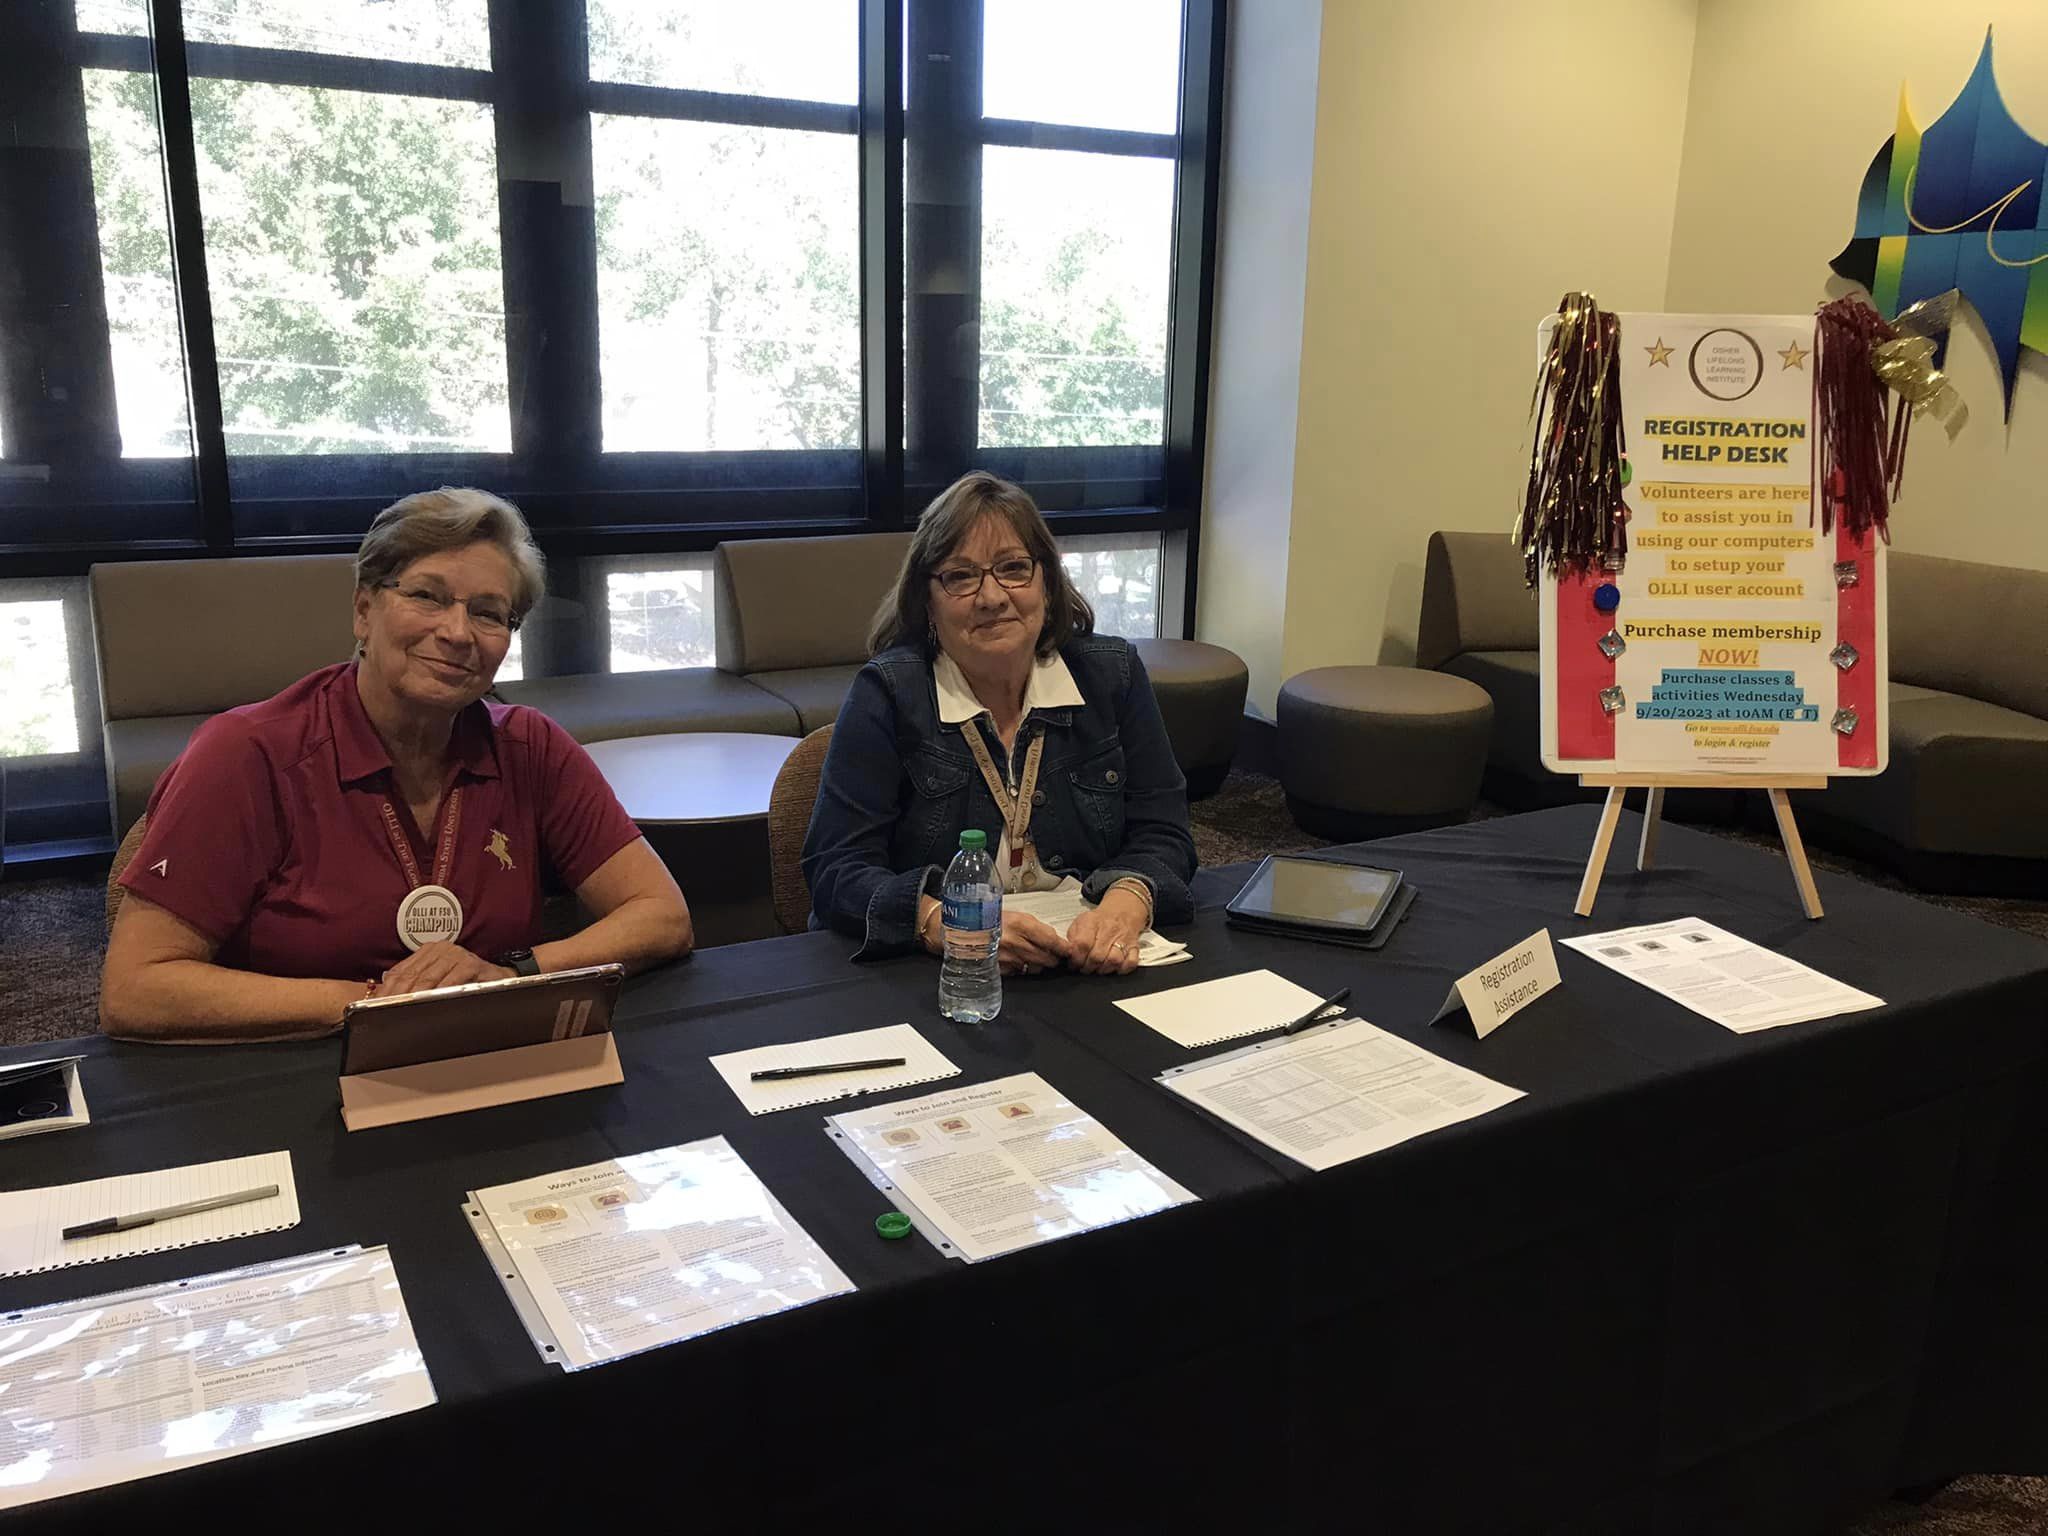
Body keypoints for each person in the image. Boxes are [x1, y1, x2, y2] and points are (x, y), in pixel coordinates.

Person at [99, 488, 693, 1043]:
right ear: (364, 609)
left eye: (489, 613)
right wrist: (375, 1004)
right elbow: (135, 989)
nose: (457, 632)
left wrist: (513, 973)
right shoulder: (247, 755)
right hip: (296, 1067)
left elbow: (663, 916)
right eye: (427, 596)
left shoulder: (529, 746)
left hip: (488, 1052)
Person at [804, 471, 1196, 975]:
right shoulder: (888, 693)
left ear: (1047, 583)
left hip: (1088, 963)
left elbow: (1165, 831)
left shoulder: (1112, 677)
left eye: (1013, 568)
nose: (991, 597)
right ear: (927, 600)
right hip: (944, 977)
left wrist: (1126, 901)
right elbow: (835, 867)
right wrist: (943, 925)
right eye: (960, 576)